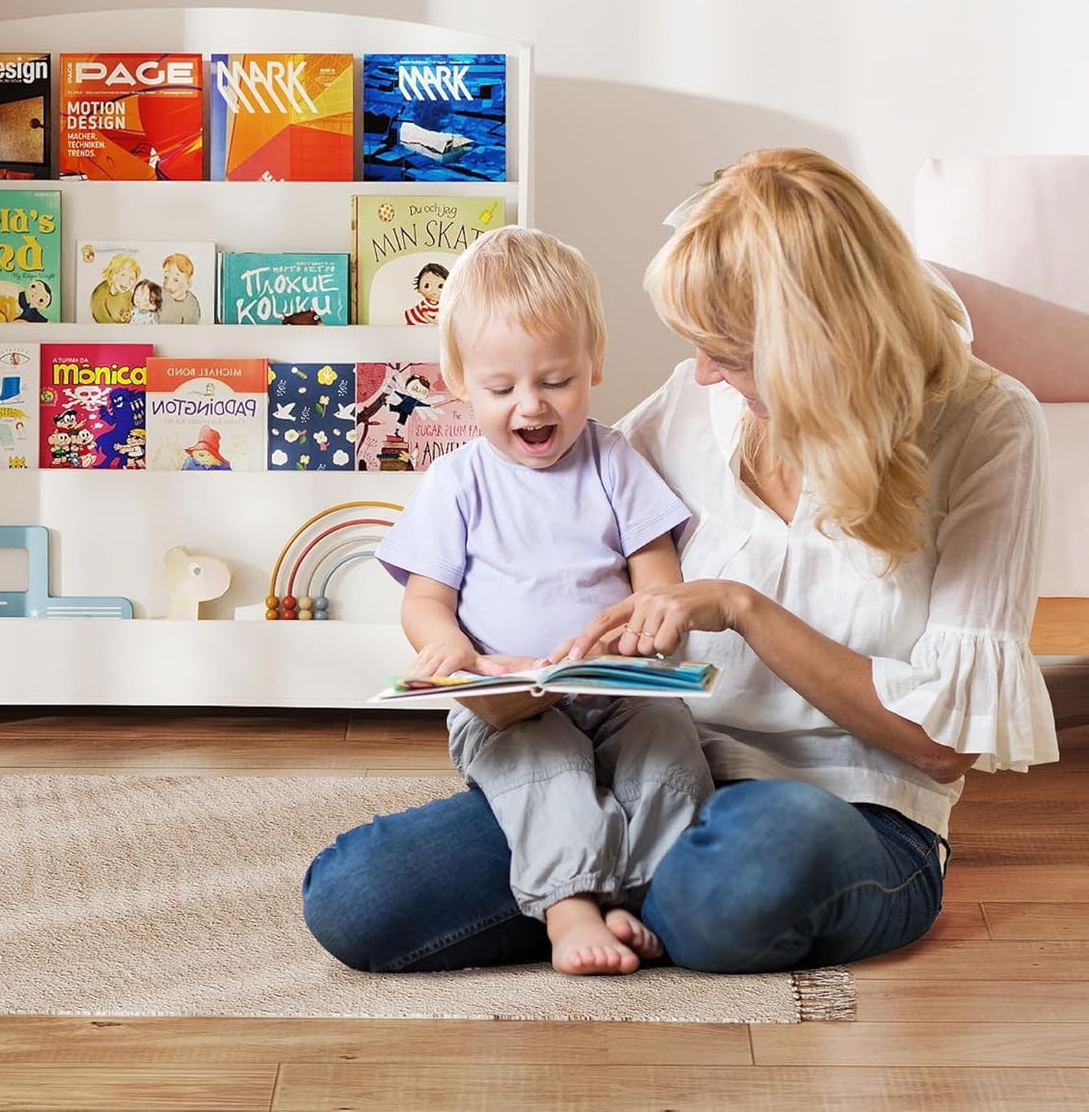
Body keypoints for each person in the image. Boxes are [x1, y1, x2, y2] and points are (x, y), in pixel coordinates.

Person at [302, 148, 1059, 975]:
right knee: (358, 894)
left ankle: (606, 892)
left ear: (812, 351)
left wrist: (742, 607)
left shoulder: (987, 426)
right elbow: (563, 513)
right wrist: (506, 675)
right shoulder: (699, 398)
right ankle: (598, 896)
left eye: (726, 353)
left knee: (738, 873)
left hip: (848, 805)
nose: (699, 373)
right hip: (644, 773)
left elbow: (942, 743)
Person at [373, 225, 713, 974]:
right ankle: (568, 906)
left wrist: (649, 625)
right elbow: (425, 597)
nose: (531, 405)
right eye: (501, 389)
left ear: (593, 362)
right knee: (548, 766)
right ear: (460, 380)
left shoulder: (613, 459)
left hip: (612, 684)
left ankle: (639, 896)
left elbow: (653, 566)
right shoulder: (456, 481)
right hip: (511, 696)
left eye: (556, 380)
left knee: (669, 751)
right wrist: (451, 647)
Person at [158, 252, 203, 325]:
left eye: (176, 280)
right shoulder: (159, 294)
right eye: (166, 277)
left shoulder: (191, 304)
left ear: (188, 282)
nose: (168, 285)